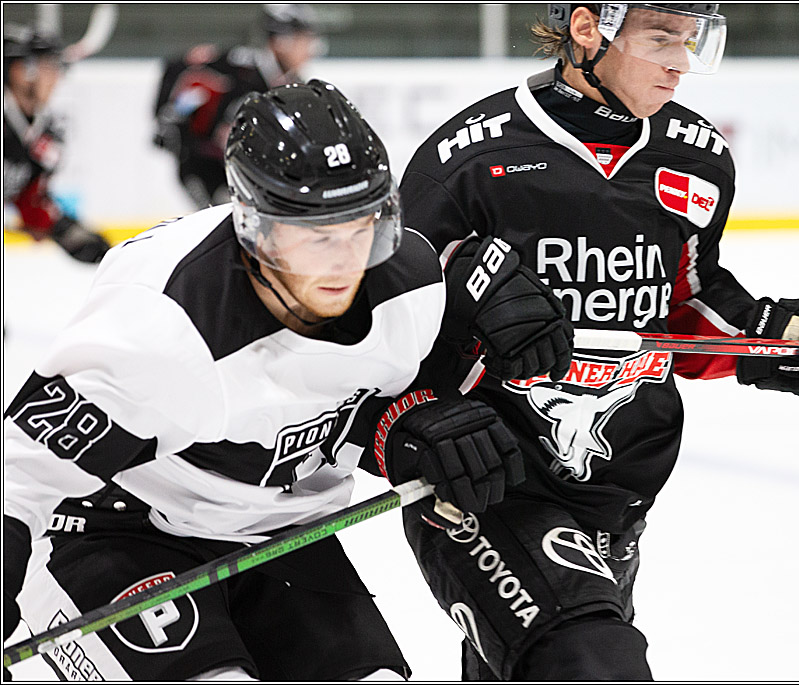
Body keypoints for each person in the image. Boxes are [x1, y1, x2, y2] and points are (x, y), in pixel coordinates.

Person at [1, 79, 564, 681]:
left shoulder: (412, 289)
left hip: (281, 533)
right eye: (316, 237)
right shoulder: (161, 328)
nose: (345, 263)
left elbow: (359, 408)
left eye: (361, 227)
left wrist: (411, 429)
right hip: (116, 529)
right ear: (254, 227)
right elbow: (18, 475)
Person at [397, 3, 799, 680]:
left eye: (690, 42)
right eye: (661, 39)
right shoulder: (471, 158)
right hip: (490, 483)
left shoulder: (696, 157)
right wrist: (467, 301)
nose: (680, 64)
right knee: (588, 661)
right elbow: (390, 320)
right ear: (587, 30)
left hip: (620, 489)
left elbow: (686, 305)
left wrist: (787, 346)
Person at [153, 3, 320, 209]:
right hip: (205, 168)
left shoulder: (292, 84)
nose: (311, 50)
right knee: (228, 218)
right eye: (305, 40)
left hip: (246, 174)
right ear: (282, 41)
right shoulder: (237, 69)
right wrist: (171, 123)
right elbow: (183, 75)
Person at [3, 24, 110, 263]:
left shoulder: (40, 132)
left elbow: (30, 198)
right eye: (49, 66)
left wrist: (66, 232)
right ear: (20, 71)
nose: (57, 77)